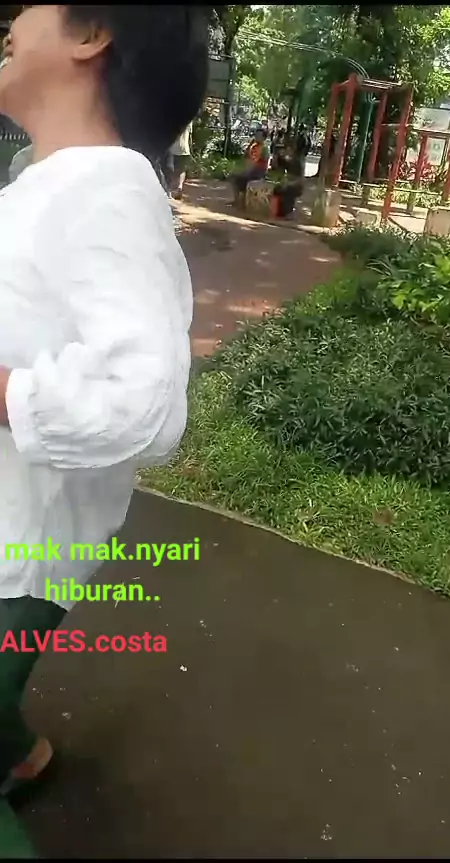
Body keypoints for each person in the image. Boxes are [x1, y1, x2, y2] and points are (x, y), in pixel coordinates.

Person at [0, 4, 209, 796]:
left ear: (91, 36)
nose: (11, 21)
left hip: (16, 556)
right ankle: (21, 757)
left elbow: (143, 400)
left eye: (30, 7)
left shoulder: (107, 189)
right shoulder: (41, 183)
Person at [230, 128, 269, 206]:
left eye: (259, 135)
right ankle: (238, 200)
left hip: (258, 172)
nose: (256, 137)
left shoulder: (264, 148)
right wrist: (249, 146)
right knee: (234, 177)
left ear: (264, 138)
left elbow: (264, 159)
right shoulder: (253, 146)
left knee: (239, 178)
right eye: (256, 135)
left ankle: (241, 201)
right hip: (251, 170)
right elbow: (245, 156)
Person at [169, 121, 193, 200]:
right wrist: (190, 148)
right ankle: (180, 187)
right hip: (184, 148)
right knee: (182, 169)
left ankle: (171, 190)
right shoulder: (189, 120)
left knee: (172, 169)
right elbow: (190, 136)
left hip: (173, 147)